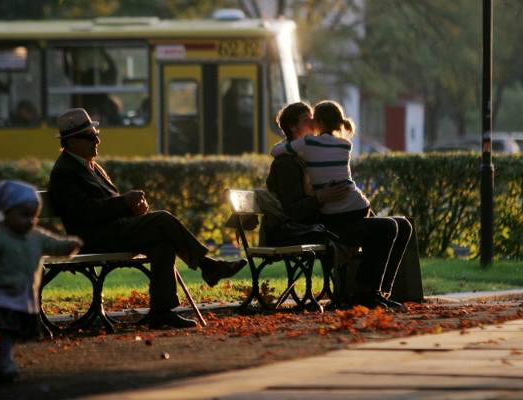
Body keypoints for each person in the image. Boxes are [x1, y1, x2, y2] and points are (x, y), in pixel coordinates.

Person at [48, 108, 247, 329]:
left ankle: (162, 312)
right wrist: (125, 202)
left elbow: (107, 206)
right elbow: (83, 213)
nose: (97, 140)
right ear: (71, 141)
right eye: (89, 136)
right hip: (92, 238)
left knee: (162, 244)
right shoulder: (65, 171)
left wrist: (133, 209)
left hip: (112, 231)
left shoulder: (91, 167)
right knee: (162, 220)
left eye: (96, 134)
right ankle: (208, 266)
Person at [269, 101, 412, 309]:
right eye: (307, 118)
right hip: (318, 226)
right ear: (293, 127)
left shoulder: (311, 151)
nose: (313, 121)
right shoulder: (287, 163)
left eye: (314, 117)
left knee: (403, 225)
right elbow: (294, 212)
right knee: (388, 227)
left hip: (337, 218)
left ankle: (377, 291)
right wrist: (321, 198)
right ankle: (364, 292)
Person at [0, 180, 83, 382]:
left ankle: (2, 361)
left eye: (34, 216)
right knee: (7, 330)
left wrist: (68, 246)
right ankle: (5, 363)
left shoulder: (35, 237)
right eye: (24, 215)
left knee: (12, 332)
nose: (30, 221)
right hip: (0, 294)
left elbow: (53, 245)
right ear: (7, 211)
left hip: (23, 294)